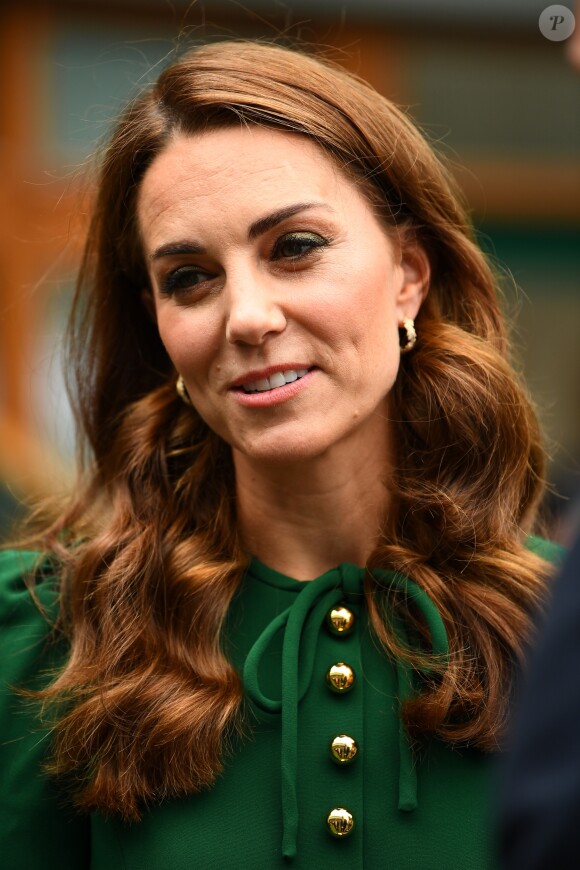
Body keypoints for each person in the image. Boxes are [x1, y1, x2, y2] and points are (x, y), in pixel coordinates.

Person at [0, 40, 562, 869]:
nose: (248, 317)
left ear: (408, 273)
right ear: (158, 325)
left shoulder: (560, 628)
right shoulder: (45, 637)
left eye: (294, 247)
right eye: (190, 277)